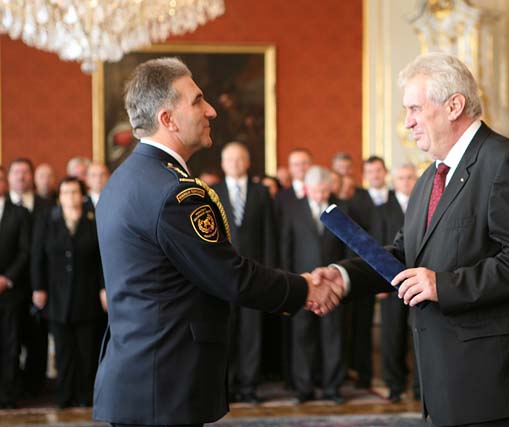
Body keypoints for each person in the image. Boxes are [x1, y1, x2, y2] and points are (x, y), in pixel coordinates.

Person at [312, 52, 509, 427]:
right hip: (448, 382)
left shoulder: (503, 161)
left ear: (454, 106)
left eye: (414, 108)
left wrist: (442, 285)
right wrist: (344, 277)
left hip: (500, 386)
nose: (407, 122)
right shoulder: (430, 178)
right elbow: (404, 256)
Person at [92, 57, 340, 427]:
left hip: (141, 377)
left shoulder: (124, 179)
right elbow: (230, 276)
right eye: (197, 101)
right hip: (165, 385)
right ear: (168, 119)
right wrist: (304, 288)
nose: (211, 110)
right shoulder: (174, 193)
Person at [31, 177, 106, 408]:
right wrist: (38, 287)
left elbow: (102, 259)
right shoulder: (47, 220)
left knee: (87, 350)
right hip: (56, 295)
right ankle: (64, 396)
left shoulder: (93, 219)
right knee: (63, 351)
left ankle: (85, 396)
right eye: (65, 192)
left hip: (87, 295)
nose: (70, 197)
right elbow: (37, 256)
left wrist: (104, 288)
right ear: (59, 197)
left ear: (82, 196)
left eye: (74, 192)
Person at [213, 142, 278, 404]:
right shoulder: (212, 192)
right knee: (225, 331)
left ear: (248, 162)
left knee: (252, 332)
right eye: (230, 159)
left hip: (254, 274)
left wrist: (271, 272)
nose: (235, 163)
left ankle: (249, 386)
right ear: (222, 163)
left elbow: (270, 235)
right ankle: (226, 386)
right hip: (222, 275)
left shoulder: (262, 193)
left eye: (240, 158)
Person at [280, 166, 347, 404]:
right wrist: (289, 281)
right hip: (302, 284)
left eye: (324, 191)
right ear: (307, 189)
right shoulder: (293, 210)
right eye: (316, 191)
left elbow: (347, 248)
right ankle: (304, 387)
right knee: (302, 336)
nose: (321, 196)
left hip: (332, 284)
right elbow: (286, 247)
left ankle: (333, 387)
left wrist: (343, 277)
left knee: (333, 336)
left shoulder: (340, 209)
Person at [371, 163, 418, 403]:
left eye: (410, 177)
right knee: (392, 335)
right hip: (391, 282)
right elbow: (376, 246)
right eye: (401, 178)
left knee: (419, 335)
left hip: (420, 281)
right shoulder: (382, 210)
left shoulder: (425, 205)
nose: (406, 182)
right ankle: (394, 385)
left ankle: (420, 388)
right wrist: (378, 281)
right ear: (394, 181)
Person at [7, 157, 52, 398]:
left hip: (40, 284)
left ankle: (36, 386)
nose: (21, 176)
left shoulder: (46, 205)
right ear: (9, 177)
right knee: (10, 340)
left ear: (31, 177)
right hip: (11, 286)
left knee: (37, 338)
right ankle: (13, 385)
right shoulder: (4, 207)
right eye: (16, 172)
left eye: (25, 172)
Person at [346, 155, 391, 389]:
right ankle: (363, 375)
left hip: (394, 270)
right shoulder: (355, 202)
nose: (375, 175)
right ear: (365, 176)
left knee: (394, 329)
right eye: (370, 172)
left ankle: (394, 378)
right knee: (362, 326)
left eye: (378, 171)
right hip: (365, 270)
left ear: (385, 172)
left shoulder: (396, 198)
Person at [0, 166, 31, 409]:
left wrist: (7, 278)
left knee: (10, 345)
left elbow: (24, 251)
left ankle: (7, 395)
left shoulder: (19, 212)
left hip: (10, 291)